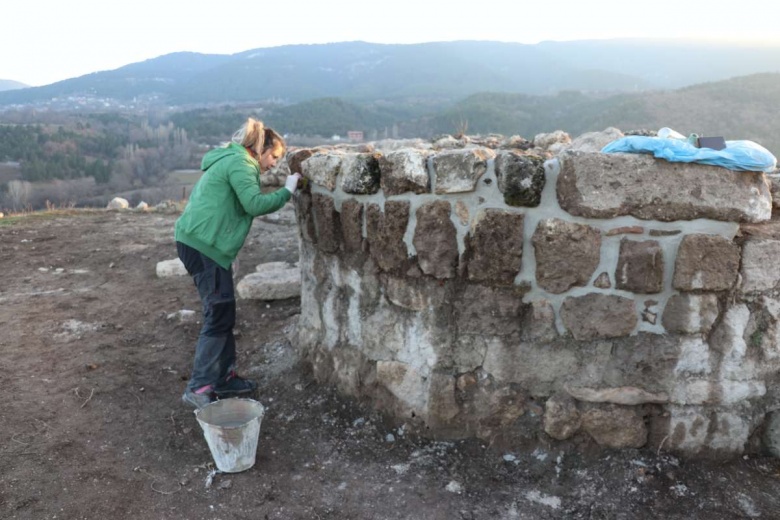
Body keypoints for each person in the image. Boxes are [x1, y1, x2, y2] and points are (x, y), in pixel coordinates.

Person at [175, 117, 301, 408]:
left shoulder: (234, 159)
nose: (273, 165)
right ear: (261, 149)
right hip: (203, 245)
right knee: (218, 314)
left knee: (224, 312)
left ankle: (224, 379)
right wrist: (288, 191)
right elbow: (254, 204)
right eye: (274, 157)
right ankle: (200, 387)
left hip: (202, 242)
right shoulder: (242, 164)